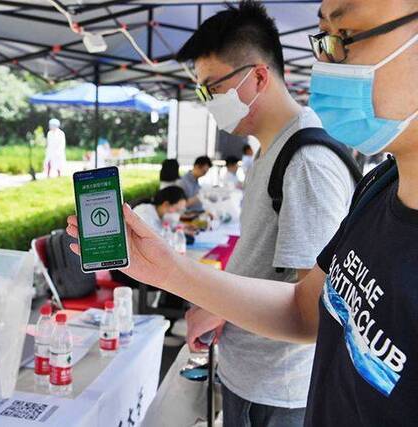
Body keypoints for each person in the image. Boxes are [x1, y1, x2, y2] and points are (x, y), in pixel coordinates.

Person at [68, 0, 418, 425]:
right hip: (251, 374)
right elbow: (306, 308)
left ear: (256, 77)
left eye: (343, 37)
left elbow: (303, 299)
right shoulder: (378, 188)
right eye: (321, 38)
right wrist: (170, 272)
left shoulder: (308, 159)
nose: (324, 59)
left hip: (276, 387)